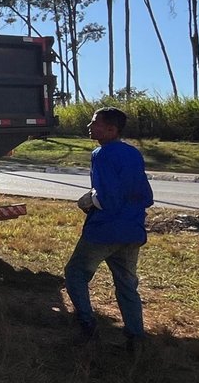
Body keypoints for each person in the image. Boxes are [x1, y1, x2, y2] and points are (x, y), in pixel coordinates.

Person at [64, 106, 155, 352]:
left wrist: (89, 201)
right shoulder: (132, 153)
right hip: (132, 229)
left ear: (112, 129)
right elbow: (144, 194)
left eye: (95, 123)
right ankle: (136, 337)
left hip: (105, 230)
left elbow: (108, 197)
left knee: (75, 273)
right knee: (127, 284)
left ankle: (87, 325)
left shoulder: (101, 154)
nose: (89, 127)